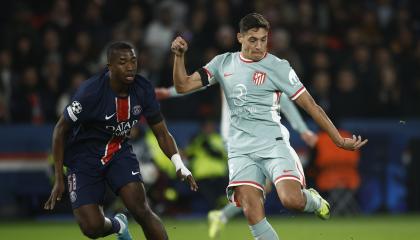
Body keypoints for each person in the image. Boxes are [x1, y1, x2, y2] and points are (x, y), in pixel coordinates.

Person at [171, 13, 367, 240]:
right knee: (251, 209)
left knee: (291, 200)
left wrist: (339, 140)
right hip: (240, 149)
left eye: (263, 39)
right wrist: (179, 57)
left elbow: (311, 105)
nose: (259, 45)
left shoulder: (278, 66)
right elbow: (183, 86)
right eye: (253, 40)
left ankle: (312, 199)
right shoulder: (223, 63)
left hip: (273, 144)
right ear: (240, 38)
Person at [44, 41, 198, 240]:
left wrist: (179, 164)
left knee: (141, 209)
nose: (130, 66)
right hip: (84, 159)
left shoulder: (143, 89)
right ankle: (119, 226)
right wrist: (58, 177)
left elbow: (161, 132)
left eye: (133, 61)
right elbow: (60, 130)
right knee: (92, 227)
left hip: (118, 152)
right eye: (123, 62)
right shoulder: (90, 93)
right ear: (110, 66)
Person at [156, 85, 318, 239]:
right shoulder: (229, 68)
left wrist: (167, 92)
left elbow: (192, 84)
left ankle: (221, 216)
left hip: (242, 140)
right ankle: (223, 215)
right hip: (241, 141)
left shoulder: (258, 73)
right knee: (258, 192)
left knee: (257, 192)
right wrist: (168, 92)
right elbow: (192, 83)